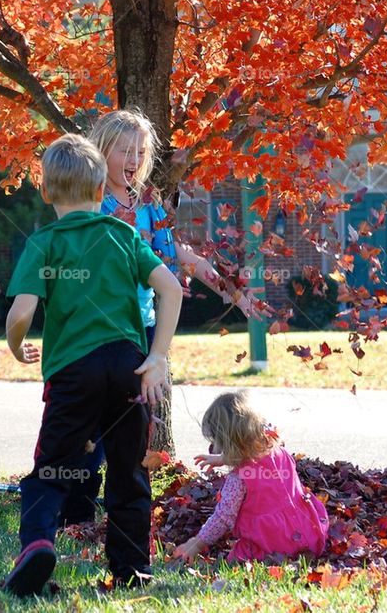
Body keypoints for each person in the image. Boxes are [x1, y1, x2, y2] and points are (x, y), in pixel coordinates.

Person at [58, 108, 270, 527]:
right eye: (124, 150)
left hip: (143, 329)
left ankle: (124, 510)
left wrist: (235, 294)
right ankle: (75, 511)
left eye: (140, 151)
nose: (133, 159)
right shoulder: (90, 202)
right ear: (102, 150)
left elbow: (178, 257)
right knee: (88, 423)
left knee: (130, 423)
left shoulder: (148, 203)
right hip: (97, 329)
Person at [1, 133, 183, 596]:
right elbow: (172, 289)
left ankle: (39, 543)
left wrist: (16, 345)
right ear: (102, 189)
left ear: (45, 191)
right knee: (128, 471)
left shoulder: (43, 243)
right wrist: (157, 356)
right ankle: (131, 571)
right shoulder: (123, 235)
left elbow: (22, 312)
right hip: (128, 368)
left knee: (53, 468)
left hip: (73, 374)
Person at [171, 391, 329, 563]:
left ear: (227, 442)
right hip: (308, 533)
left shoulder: (238, 480)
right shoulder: (279, 452)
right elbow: (254, 458)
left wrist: (196, 544)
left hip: (273, 546)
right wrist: (223, 459)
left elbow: (223, 518)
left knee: (235, 559)